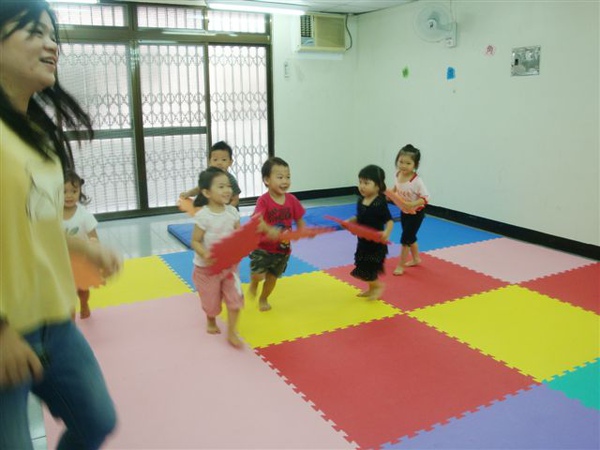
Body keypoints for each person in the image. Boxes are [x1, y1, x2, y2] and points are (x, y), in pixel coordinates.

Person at [0, 2, 121, 448]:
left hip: (53, 318)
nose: (51, 45)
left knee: (97, 420)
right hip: (6, 329)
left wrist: (83, 248)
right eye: (34, 32)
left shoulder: (38, 134)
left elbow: (36, 219)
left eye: (53, 35)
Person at [191, 167, 244, 348]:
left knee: (235, 299)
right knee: (211, 302)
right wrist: (205, 254)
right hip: (207, 269)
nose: (227, 190)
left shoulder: (232, 212)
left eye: (228, 186)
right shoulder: (203, 216)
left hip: (229, 267)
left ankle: (232, 332)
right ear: (207, 192)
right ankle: (211, 318)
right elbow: (195, 241)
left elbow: (239, 235)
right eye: (221, 187)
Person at [248, 157, 306, 312]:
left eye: (288, 177)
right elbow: (257, 220)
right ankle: (254, 283)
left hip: (282, 249)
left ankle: (263, 298)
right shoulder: (264, 201)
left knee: (272, 278)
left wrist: (302, 230)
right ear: (267, 180)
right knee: (258, 275)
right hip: (262, 247)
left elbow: (299, 218)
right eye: (280, 177)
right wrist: (269, 230)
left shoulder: (291, 200)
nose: (285, 181)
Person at [347, 165, 394, 300]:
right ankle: (371, 288)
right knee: (361, 266)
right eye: (360, 182)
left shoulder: (379, 203)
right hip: (362, 241)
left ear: (378, 186)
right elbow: (360, 217)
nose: (362, 186)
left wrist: (386, 233)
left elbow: (389, 221)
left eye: (366, 183)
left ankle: (378, 286)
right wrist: (350, 222)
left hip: (376, 244)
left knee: (369, 268)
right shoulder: (361, 200)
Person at [63, 170, 99, 319]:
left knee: (82, 290)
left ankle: (84, 303)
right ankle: (70, 320)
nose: (69, 195)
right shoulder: (53, 214)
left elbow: (94, 238)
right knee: (67, 293)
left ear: (80, 192)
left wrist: (93, 245)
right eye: (64, 191)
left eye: (74, 191)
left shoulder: (84, 215)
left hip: (80, 261)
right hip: (62, 262)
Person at [390, 144, 430, 275]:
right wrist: (391, 194)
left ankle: (400, 266)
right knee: (410, 237)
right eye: (401, 162)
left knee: (405, 239)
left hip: (416, 213)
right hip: (404, 211)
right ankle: (416, 258)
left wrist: (412, 204)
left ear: (415, 165)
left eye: (408, 163)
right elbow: (396, 188)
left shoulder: (417, 181)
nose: (403, 165)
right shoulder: (398, 174)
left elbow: (426, 198)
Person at [180, 140, 242, 209]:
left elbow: (235, 200)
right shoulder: (208, 177)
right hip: (213, 210)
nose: (219, 163)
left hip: (228, 212)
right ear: (209, 162)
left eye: (224, 160)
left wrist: (225, 211)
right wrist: (188, 193)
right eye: (215, 160)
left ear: (230, 162)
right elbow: (199, 188)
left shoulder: (231, 180)